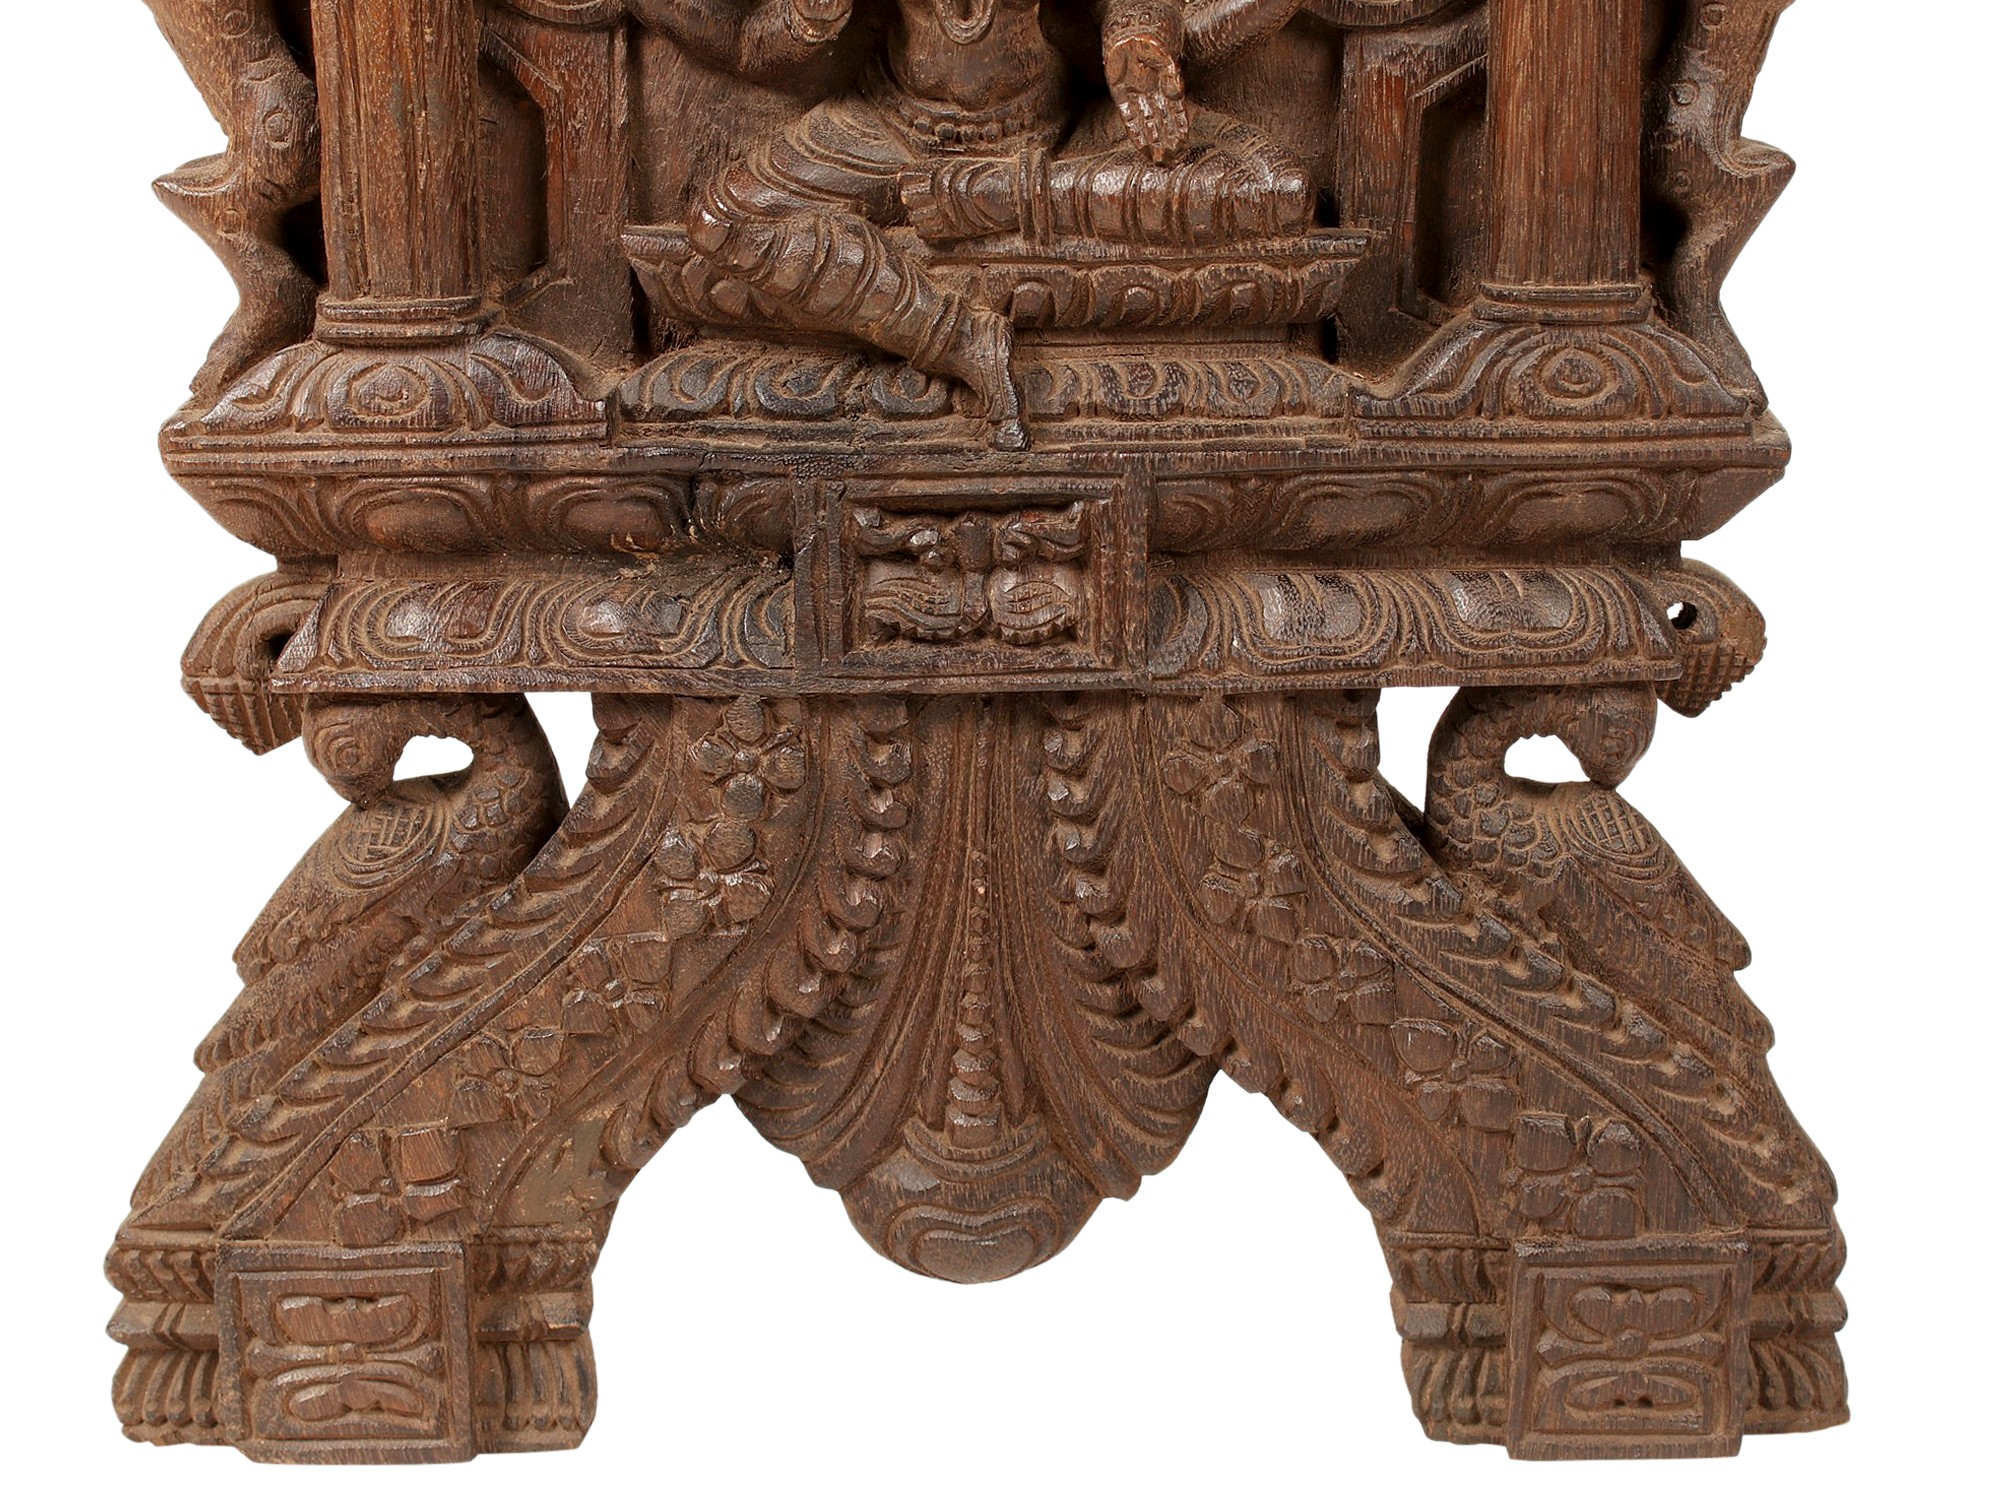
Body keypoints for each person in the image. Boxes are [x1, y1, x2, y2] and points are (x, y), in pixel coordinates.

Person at [631, 0, 1316, 448]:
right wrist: (808, 17)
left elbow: (1139, 10)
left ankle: (996, 200)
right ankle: (959, 336)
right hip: (888, 133)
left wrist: (1138, 39)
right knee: (722, 223)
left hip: (1048, 138)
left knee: (1275, 186)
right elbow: (753, 47)